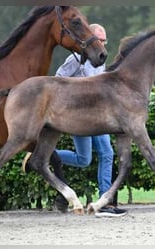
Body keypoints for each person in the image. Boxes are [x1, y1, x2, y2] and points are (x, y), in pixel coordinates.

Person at [54, 24, 127, 218]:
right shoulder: (75, 58)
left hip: (97, 116)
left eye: (104, 40)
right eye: (100, 39)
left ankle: (105, 202)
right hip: (79, 117)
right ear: (90, 38)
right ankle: (46, 155)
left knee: (107, 153)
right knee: (83, 160)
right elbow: (58, 79)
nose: (102, 44)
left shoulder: (100, 59)